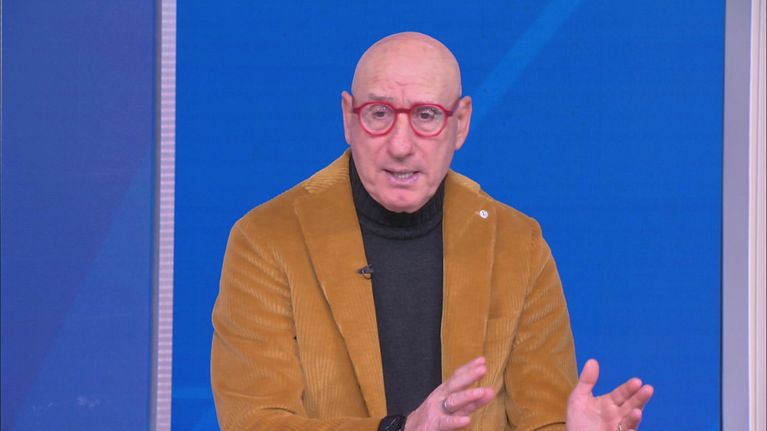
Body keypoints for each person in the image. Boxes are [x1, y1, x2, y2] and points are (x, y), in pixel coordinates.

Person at [211, 32, 653, 431]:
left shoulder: (519, 244)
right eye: (379, 113)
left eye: (426, 115)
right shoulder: (267, 239)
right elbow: (253, 422)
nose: (401, 146)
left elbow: (542, 421)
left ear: (461, 123)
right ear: (348, 117)